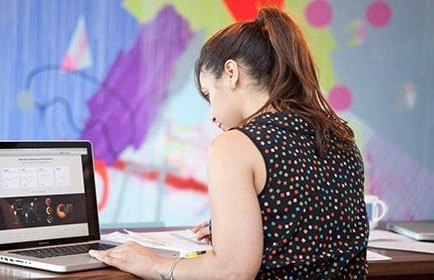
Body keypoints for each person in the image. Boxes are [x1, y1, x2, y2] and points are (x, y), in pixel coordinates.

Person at [89, 6, 368, 279]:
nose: (211, 115)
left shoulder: (236, 146)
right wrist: (243, 229)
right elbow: (309, 227)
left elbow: (233, 271)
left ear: (232, 73)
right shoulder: (339, 138)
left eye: (209, 93)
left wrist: (155, 265)